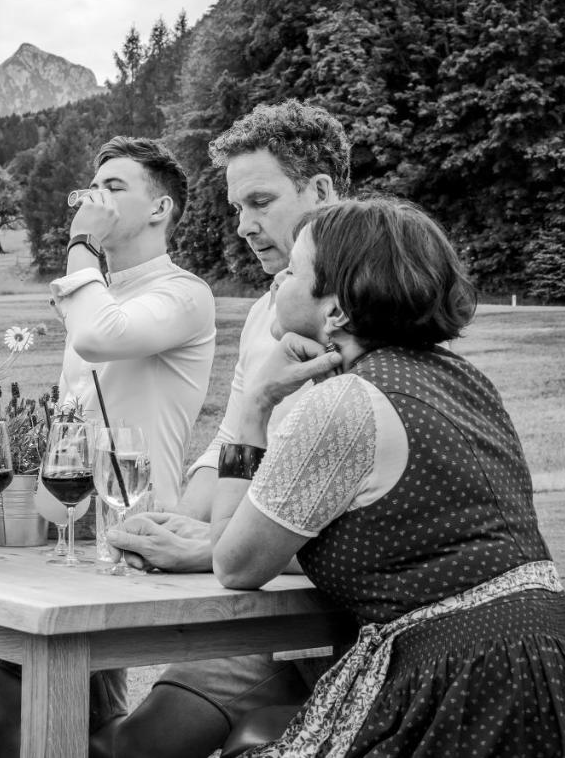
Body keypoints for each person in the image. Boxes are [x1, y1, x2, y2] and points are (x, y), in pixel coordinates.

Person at [210, 197, 565, 755]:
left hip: (463, 682)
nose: (277, 281)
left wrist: (255, 404)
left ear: (336, 313)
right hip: (555, 667)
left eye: (293, 272)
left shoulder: (343, 403)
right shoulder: (464, 380)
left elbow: (234, 563)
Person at [105, 100, 350, 758]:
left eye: (261, 201)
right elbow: (229, 444)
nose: (244, 225)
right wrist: (173, 525)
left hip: (351, 623)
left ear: (322, 190)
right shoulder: (262, 313)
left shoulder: (373, 316)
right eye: (238, 207)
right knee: (134, 746)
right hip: (262, 607)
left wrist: (218, 547)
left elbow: (359, 507)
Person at [0, 135, 216, 758]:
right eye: (92, 188)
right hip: (72, 519)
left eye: (114, 188)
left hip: (135, 530)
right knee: (13, 704)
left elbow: (104, 337)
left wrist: (80, 244)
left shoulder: (185, 293)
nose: (96, 200)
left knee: (75, 721)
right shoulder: (98, 295)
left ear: (159, 208)